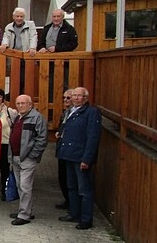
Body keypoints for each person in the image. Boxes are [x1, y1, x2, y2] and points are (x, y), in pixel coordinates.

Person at [57, 87, 102, 230]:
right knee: (72, 187)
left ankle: (86, 219)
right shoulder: (70, 111)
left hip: (80, 157)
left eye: (79, 96)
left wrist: (87, 159)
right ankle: (74, 213)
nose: (75, 98)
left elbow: (93, 137)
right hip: (68, 155)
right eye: (74, 96)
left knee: (84, 189)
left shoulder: (91, 113)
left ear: (86, 98)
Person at [9, 95, 48, 225]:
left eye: (23, 103)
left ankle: (24, 215)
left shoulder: (37, 118)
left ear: (30, 105)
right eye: (18, 103)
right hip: (16, 157)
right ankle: (25, 210)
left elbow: (42, 139)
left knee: (25, 186)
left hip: (27, 158)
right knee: (20, 185)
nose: (20, 106)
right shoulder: (17, 117)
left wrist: (32, 155)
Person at [0, 87, 17, 200]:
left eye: (0, 97)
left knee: (4, 169)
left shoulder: (10, 112)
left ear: (3, 99)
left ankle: (5, 191)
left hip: (4, 143)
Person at [54, 89, 74, 210]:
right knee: (62, 177)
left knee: (70, 179)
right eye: (64, 98)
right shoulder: (64, 113)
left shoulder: (75, 114)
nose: (65, 100)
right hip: (61, 149)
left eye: (68, 98)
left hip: (70, 150)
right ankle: (67, 200)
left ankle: (72, 203)